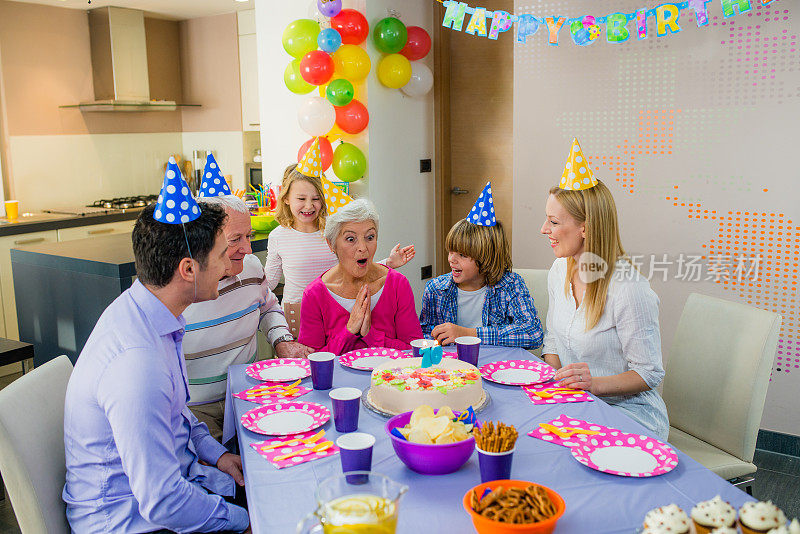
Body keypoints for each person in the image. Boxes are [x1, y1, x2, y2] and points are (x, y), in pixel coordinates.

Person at [63, 181, 249, 533]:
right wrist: (245, 522)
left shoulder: (151, 314)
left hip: (177, 486)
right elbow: (163, 501)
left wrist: (218, 455)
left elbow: (177, 416)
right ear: (188, 270)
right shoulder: (137, 364)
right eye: (223, 254)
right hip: (132, 523)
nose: (230, 263)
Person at [539, 139, 668, 440]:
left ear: (585, 227)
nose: (543, 229)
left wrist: (592, 384)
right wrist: (557, 386)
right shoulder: (559, 271)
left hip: (630, 415)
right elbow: (554, 343)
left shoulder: (628, 288)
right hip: (580, 406)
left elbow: (649, 373)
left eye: (553, 221)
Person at [182, 194, 312, 442]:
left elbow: (268, 307)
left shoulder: (252, 267)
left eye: (249, 236)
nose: (249, 249)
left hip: (249, 394)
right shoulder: (183, 287)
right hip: (195, 411)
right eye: (236, 240)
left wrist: (282, 341)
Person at [265, 162, 414, 335]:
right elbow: (269, 282)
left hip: (336, 308)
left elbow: (354, 265)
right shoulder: (278, 237)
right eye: (301, 199)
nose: (308, 206)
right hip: (297, 313)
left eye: (315, 199)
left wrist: (387, 263)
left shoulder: (335, 232)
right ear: (286, 198)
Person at [419, 182, 543, 348]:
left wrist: (469, 334)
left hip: (498, 367)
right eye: (451, 251)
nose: (451, 259)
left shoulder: (510, 285)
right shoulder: (435, 289)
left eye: (462, 255)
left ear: (486, 257)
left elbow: (533, 333)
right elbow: (425, 335)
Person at [298, 198, 423, 354]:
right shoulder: (314, 295)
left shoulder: (398, 284)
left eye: (370, 237)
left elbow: (416, 352)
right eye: (351, 239)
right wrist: (349, 331)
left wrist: (371, 335)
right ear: (331, 244)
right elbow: (312, 364)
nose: (363, 248)